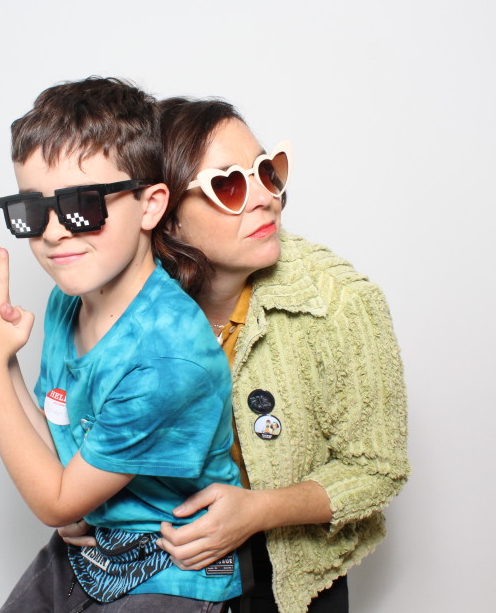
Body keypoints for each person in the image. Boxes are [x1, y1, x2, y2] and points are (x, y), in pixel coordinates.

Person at [0, 78, 243, 610]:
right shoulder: (70, 299)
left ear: (150, 206)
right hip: (89, 546)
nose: (53, 233)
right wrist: (6, 360)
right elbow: (59, 450)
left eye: (81, 206)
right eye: (31, 211)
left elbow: (56, 502)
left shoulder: (168, 357)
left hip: (172, 565)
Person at [140, 97, 411, 613]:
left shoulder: (341, 303)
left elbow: (379, 468)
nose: (266, 197)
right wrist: (80, 503)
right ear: (165, 217)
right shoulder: (128, 302)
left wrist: (257, 511)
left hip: (286, 575)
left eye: (267, 171)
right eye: (229, 185)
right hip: (156, 566)